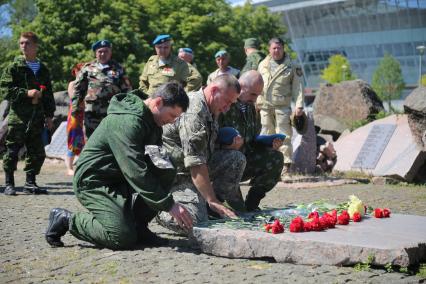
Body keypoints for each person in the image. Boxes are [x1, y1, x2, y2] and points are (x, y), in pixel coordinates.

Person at [45, 82, 193, 250]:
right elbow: (135, 170)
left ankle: (139, 226)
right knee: (121, 236)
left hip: (118, 179)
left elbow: (154, 162)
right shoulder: (127, 122)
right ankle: (66, 220)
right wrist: (169, 205)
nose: (172, 121)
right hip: (94, 182)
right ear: (158, 102)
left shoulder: (153, 121)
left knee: (166, 168)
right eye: (172, 115)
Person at [157, 74, 241, 233]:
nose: (227, 108)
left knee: (236, 159)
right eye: (227, 101)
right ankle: (158, 209)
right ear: (214, 90)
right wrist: (212, 199)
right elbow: (196, 164)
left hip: (195, 169)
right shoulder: (194, 112)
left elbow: (204, 146)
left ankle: (209, 208)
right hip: (176, 176)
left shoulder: (212, 106)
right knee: (196, 222)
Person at [216, 70, 284, 211]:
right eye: (253, 94)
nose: (255, 99)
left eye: (258, 95)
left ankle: (253, 201)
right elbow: (212, 140)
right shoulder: (224, 105)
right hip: (223, 165)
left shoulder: (250, 108)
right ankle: (218, 201)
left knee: (276, 158)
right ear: (241, 86)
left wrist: (268, 144)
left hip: (243, 161)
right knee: (238, 212)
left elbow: (251, 140)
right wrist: (228, 144)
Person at [1, 32, 55, 196]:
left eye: (27, 43)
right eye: (21, 43)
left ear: (35, 46)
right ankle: (9, 184)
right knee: (12, 151)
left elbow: (48, 95)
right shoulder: (14, 67)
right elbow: (5, 90)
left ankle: (30, 183)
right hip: (18, 117)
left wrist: (49, 116)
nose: (23, 46)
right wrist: (26, 93)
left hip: (37, 118)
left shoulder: (43, 69)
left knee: (37, 152)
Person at [257, 37, 305, 175]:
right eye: (274, 48)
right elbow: (258, 84)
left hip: (282, 106)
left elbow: (298, 87)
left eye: (279, 48)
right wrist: (255, 101)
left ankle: (286, 165)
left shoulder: (292, 65)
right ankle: (267, 164)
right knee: (265, 135)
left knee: (284, 135)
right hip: (265, 106)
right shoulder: (262, 65)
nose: (276, 51)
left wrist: (299, 105)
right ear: (269, 49)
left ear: (283, 49)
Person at [72, 39, 131, 138]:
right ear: (95, 53)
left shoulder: (118, 68)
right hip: (92, 112)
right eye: (100, 51)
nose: (103, 54)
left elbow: (127, 90)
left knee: (111, 140)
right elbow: (78, 90)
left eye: (106, 51)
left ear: (110, 53)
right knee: (91, 140)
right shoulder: (87, 68)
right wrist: (75, 109)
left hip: (112, 112)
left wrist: (127, 110)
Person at [65, 63, 86, 176]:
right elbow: (74, 97)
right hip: (75, 115)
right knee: (74, 140)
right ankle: (69, 168)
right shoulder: (73, 84)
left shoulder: (89, 84)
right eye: (79, 71)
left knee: (86, 140)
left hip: (86, 114)